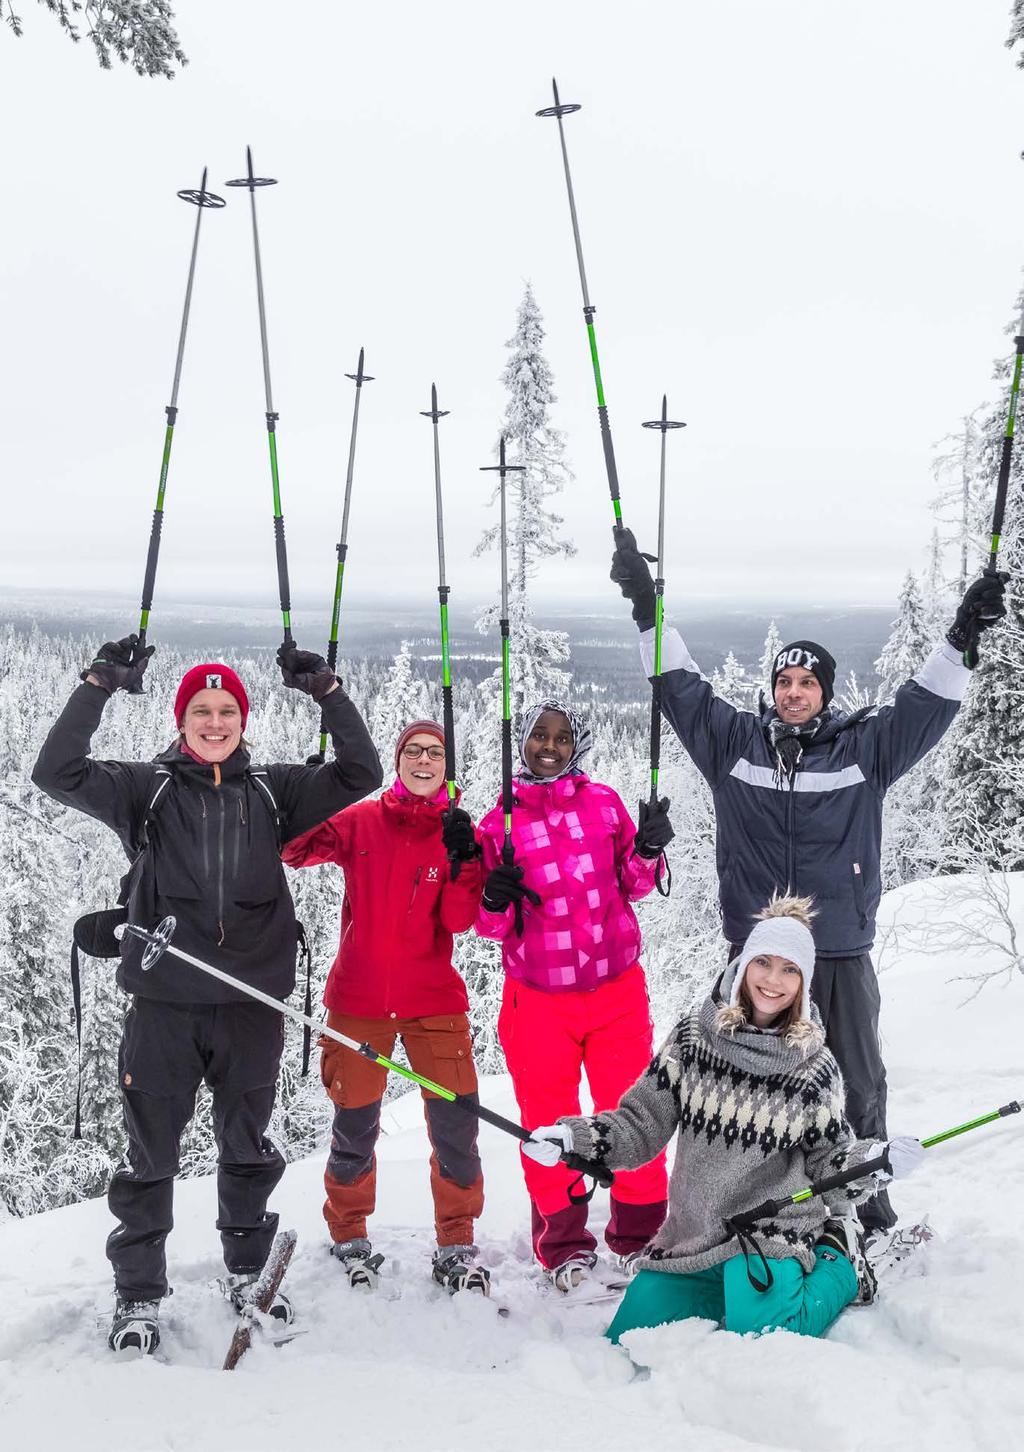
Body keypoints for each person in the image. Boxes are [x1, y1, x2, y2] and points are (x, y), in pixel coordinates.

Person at [610, 530, 1007, 1238]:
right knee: (739, 1085)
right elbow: (681, 688)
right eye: (784, 683)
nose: (794, 694)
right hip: (757, 956)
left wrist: (962, 637)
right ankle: (742, 1207)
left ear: (824, 692)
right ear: (772, 692)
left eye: (807, 683)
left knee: (855, 1082)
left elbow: (926, 704)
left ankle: (867, 1217)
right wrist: (647, 608)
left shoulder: (864, 749)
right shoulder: (734, 745)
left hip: (841, 950)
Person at [32, 634, 382, 1353]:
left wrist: (328, 693)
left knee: (247, 1149)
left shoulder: (274, 789)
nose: (215, 721)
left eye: (226, 710)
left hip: (252, 1006)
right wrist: (99, 682)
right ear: (180, 718)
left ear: (243, 719)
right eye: (201, 709)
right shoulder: (144, 789)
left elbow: (361, 772)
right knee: (149, 1155)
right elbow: (56, 770)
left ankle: (248, 1271)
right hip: (164, 1007)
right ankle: (137, 1294)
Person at [523, 895, 925, 1348]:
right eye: (764, 963)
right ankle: (725, 1293)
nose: (773, 980)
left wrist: (875, 1161)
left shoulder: (814, 1068)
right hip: (695, 1235)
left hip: (772, 1230)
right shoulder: (694, 1039)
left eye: (789, 970)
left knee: (769, 1337)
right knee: (626, 1338)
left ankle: (839, 1260)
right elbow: (640, 1123)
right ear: (742, 966)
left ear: (804, 983)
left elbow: (829, 1161)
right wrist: (573, 1139)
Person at [282, 720, 489, 1296]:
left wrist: (466, 860)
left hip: (433, 1003)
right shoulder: (363, 820)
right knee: (355, 1124)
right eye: (413, 752)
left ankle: (456, 1240)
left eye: (435, 753)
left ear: (446, 765)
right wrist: (312, 794)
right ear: (398, 762)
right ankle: (348, 1232)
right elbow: (294, 850)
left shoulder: (457, 832)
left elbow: (457, 921)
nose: (424, 761)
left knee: (456, 1125)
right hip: (359, 1000)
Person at [475, 700, 673, 1291]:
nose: (550, 746)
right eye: (539, 734)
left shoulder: (605, 804)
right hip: (537, 999)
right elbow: (488, 928)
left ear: (577, 745)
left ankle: (640, 1237)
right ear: (522, 741)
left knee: (634, 1112)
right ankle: (563, 1244)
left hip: (616, 990)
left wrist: (648, 848)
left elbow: (636, 886)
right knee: (547, 1123)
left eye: (563, 737)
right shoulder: (498, 824)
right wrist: (492, 897)